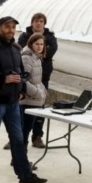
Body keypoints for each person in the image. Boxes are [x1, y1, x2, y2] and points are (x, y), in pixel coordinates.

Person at [0, 16, 47, 183]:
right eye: (7, 27)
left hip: (12, 101)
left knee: (18, 140)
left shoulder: (15, 48)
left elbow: (20, 72)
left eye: (12, 27)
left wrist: (19, 89)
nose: (10, 30)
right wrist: (4, 79)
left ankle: (25, 174)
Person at [17, 13, 58, 148]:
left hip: (42, 80)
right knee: (24, 118)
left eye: (41, 21)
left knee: (39, 113)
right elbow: (24, 79)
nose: (38, 23)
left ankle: (37, 136)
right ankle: (18, 143)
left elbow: (52, 50)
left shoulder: (50, 37)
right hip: (32, 89)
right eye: (36, 21)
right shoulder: (27, 51)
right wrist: (37, 92)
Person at [20, 34, 47, 147]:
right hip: (28, 101)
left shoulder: (37, 57)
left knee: (26, 130)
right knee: (24, 132)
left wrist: (43, 91)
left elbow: (36, 80)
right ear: (31, 44)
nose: (39, 46)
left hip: (35, 100)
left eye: (41, 44)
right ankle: (19, 160)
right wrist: (38, 93)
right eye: (37, 44)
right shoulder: (27, 57)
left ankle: (21, 160)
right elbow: (24, 81)